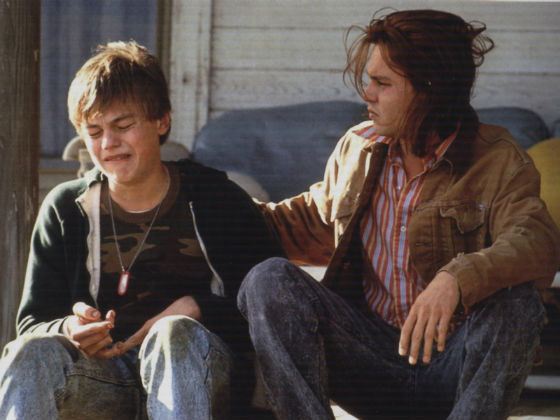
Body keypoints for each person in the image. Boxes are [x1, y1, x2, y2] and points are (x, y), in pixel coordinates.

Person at [237, 9, 560, 420]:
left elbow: (536, 241)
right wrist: (208, 201)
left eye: (383, 83)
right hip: (371, 362)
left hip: (454, 371)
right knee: (268, 279)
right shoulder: (359, 147)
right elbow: (305, 222)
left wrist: (456, 279)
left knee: (518, 303)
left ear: (429, 90)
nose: (367, 94)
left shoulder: (498, 158)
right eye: (368, 80)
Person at [0, 41, 282, 419]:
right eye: (94, 131)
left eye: (123, 126)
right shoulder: (66, 208)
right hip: (106, 378)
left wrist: (198, 308)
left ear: (161, 120)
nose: (108, 143)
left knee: (175, 332)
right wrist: (69, 326)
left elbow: (275, 307)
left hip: (206, 376)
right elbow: (32, 324)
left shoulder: (218, 198)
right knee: (29, 353)